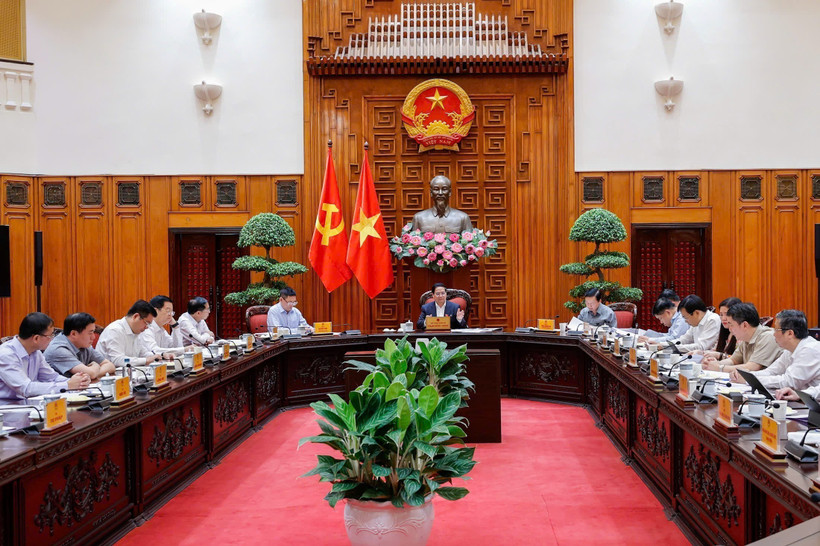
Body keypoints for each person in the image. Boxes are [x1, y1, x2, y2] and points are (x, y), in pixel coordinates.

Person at [0, 312, 90, 399]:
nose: (52, 339)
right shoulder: (6, 355)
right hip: (7, 408)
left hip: (29, 405)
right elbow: (26, 388)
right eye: (50, 336)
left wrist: (78, 381)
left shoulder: (36, 352)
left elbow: (52, 377)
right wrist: (67, 385)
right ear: (36, 338)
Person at [731, 309, 820, 394]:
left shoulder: (810, 350)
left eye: (776, 329)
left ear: (790, 333)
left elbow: (788, 382)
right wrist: (747, 375)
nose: (773, 334)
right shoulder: (790, 350)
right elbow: (771, 372)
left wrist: (749, 380)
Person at [701, 302, 782, 373]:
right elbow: (733, 360)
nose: (729, 329)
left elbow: (751, 367)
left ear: (744, 325)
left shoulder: (768, 337)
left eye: (731, 324)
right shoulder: (746, 338)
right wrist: (713, 364)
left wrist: (719, 368)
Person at [43, 312, 116, 379]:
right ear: (74, 334)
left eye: (93, 332)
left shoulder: (83, 344)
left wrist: (94, 372)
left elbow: (110, 366)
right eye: (90, 333)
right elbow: (91, 374)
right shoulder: (58, 349)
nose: (93, 337)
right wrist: (96, 366)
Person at [97, 300, 164, 367]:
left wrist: (159, 356)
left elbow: (143, 353)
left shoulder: (136, 331)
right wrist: (146, 360)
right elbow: (117, 360)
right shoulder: (114, 330)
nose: (147, 327)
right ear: (135, 317)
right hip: (109, 375)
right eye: (147, 323)